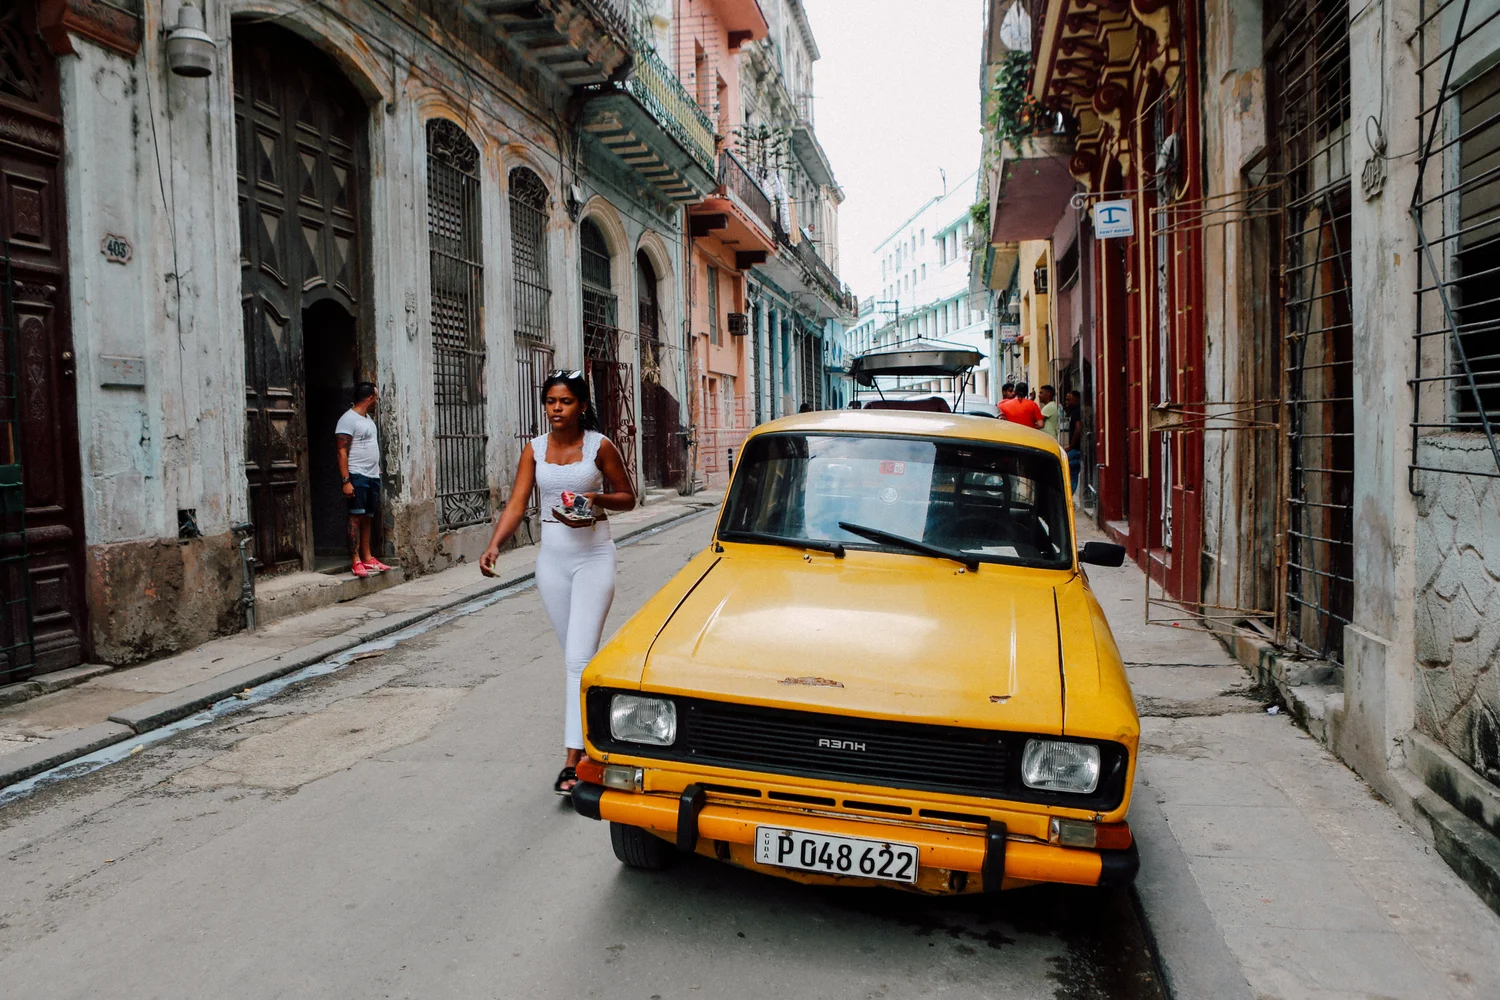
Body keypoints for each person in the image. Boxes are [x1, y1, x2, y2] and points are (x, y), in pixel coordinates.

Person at [480, 371, 635, 796]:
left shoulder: (600, 446)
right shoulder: (533, 450)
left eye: (565, 401)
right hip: (552, 560)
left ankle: (573, 761)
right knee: (576, 659)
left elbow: (628, 496)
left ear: (581, 406)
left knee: (578, 660)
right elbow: (517, 503)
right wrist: (495, 545)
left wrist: (595, 499)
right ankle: (602, 734)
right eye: (550, 401)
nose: (556, 408)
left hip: (594, 557)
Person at [336, 382, 393, 579]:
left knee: (368, 517)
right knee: (355, 517)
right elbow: (342, 451)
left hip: (371, 475)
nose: (377, 400)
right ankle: (355, 560)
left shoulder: (368, 419)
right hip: (357, 475)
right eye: (376, 397)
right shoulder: (348, 420)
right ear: (369, 397)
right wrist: (346, 480)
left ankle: (367, 557)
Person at [1064, 390, 1084, 495]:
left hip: (1075, 448)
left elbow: (1078, 428)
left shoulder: (1076, 412)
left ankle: (1068, 498)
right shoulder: (1077, 411)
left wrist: (1071, 445)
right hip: (1077, 448)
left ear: (1076, 399)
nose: (1066, 402)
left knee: (1072, 474)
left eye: (1069, 400)